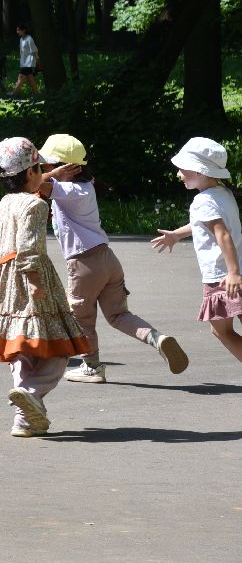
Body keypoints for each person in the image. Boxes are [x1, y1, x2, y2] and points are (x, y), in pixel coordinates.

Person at [36, 133, 187, 383]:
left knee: (81, 318)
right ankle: (157, 338)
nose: (43, 170)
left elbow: (33, 184)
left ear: (67, 168)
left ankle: (92, 367)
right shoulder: (85, 187)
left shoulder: (67, 189)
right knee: (118, 315)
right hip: (107, 259)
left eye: (47, 165)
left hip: (84, 263)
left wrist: (53, 174)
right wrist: (56, 172)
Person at [0, 137, 92, 438]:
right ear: (32, 172)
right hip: (31, 279)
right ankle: (31, 392)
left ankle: (25, 420)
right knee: (58, 348)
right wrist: (34, 281)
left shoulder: (3, 204)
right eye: (40, 169)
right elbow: (29, 245)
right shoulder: (34, 204)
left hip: (6, 281)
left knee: (20, 348)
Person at [152, 137, 242, 365]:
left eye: (182, 168)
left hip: (223, 277)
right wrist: (176, 234)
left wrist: (232, 273)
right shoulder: (223, 193)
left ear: (200, 171)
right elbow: (203, 224)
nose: (178, 174)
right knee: (221, 330)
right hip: (235, 272)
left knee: (221, 331)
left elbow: (222, 234)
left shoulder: (203, 201)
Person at [11, 25, 40, 96]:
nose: (17, 32)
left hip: (29, 62)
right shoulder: (21, 39)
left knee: (21, 76)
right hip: (24, 62)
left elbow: (34, 50)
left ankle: (13, 94)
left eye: (18, 30)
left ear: (24, 30)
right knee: (30, 78)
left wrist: (37, 60)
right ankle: (37, 94)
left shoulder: (29, 39)